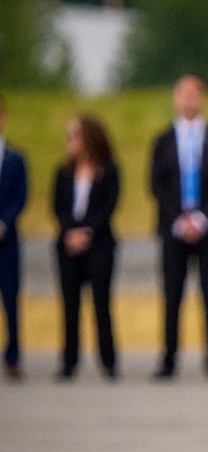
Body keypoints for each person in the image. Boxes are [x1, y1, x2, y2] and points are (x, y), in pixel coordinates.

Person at [149, 74, 208, 380]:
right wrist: (179, 217)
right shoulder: (163, 140)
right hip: (174, 227)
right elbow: (156, 183)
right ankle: (169, 358)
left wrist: (200, 218)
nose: (188, 99)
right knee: (172, 295)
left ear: (203, 98)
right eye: (183, 93)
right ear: (175, 98)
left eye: (194, 93)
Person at [53, 115, 120, 381]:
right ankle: (69, 361)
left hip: (99, 244)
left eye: (74, 135)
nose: (69, 141)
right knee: (70, 305)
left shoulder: (108, 171)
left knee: (101, 303)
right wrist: (70, 232)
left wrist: (88, 231)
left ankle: (108, 360)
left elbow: (109, 205)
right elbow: (58, 206)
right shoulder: (64, 172)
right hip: (68, 245)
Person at [0, 93, 28, 382]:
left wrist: (4, 223)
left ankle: (13, 357)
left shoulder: (15, 159)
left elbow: (20, 196)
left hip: (6, 240)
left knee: (10, 300)